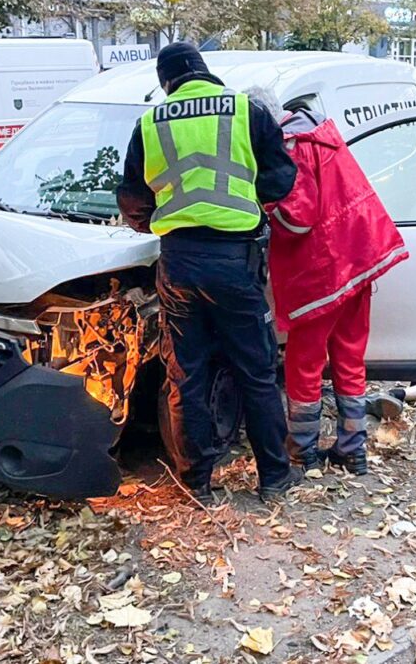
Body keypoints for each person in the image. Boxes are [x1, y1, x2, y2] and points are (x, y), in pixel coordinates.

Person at [117, 43, 300, 506]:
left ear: (166, 82)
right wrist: (246, 204)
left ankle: (195, 484)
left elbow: (133, 202)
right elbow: (281, 180)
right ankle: (275, 481)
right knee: (256, 374)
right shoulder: (247, 111)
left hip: (178, 262)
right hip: (236, 261)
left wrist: (160, 219)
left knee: (186, 377)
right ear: (204, 71)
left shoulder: (150, 123)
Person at [246, 87, 408, 475]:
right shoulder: (321, 133)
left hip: (323, 268)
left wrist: (261, 204)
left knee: (304, 364)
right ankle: (353, 449)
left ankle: (302, 450)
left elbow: (298, 217)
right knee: (349, 356)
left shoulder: (290, 147)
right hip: (359, 255)